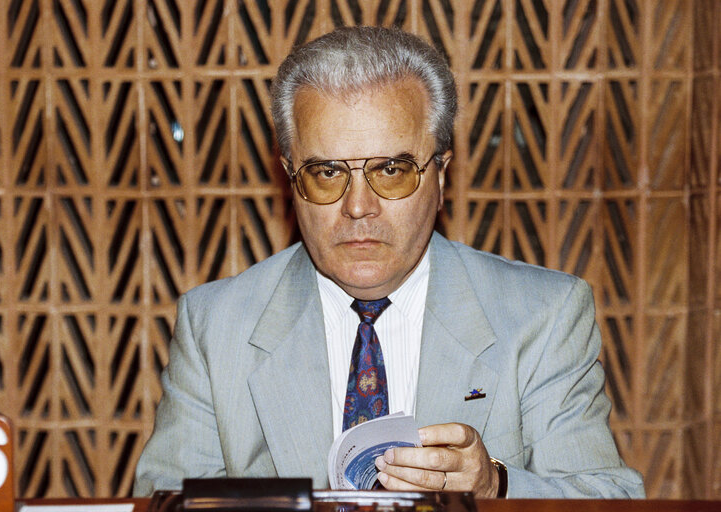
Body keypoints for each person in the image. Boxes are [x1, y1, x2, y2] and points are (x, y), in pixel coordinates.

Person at [134, 26, 644, 498]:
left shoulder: (544, 315)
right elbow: (164, 502)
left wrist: (496, 487)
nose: (358, 206)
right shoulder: (214, 326)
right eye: (327, 172)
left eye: (392, 169)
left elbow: (612, 499)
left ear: (441, 176)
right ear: (290, 179)